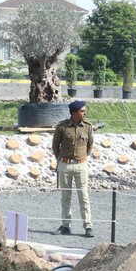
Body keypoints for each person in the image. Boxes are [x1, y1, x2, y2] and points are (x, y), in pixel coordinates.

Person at [52, 100, 95, 238]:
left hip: (81, 165)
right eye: (82, 111)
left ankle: (88, 226)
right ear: (74, 113)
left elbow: (90, 146)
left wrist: (81, 158)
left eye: (85, 110)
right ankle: (66, 225)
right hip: (65, 164)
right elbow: (55, 146)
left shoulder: (88, 127)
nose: (85, 112)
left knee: (84, 196)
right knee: (66, 197)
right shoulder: (62, 127)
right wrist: (62, 160)